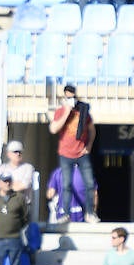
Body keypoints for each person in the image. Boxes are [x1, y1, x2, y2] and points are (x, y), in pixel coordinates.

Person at [48, 84, 99, 223]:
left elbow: (92, 130)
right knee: (66, 184)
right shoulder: (60, 111)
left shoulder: (83, 111)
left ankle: (89, 213)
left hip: (82, 153)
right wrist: (66, 111)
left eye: (72, 95)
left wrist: (89, 145)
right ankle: (65, 214)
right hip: (66, 154)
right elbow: (53, 129)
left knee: (89, 183)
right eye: (67, 95)